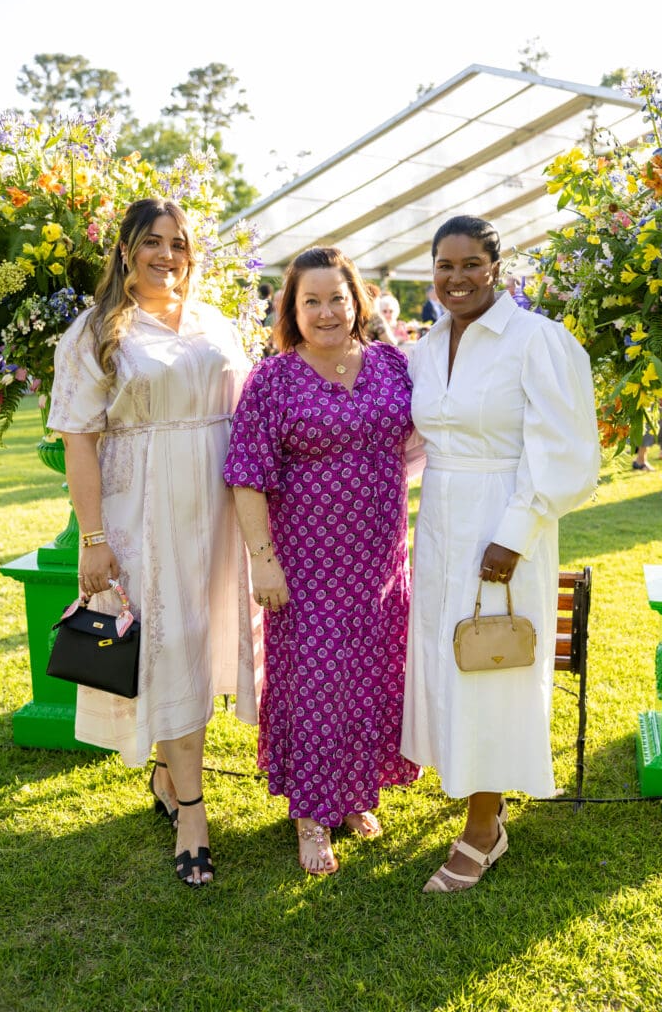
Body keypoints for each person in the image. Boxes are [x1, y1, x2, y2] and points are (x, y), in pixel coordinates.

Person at [47, 197, 259, 887]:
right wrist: (94, 537)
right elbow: (80, 443)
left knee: (198, 641)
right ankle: (193, 812)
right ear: (126, 248)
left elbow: (250, 408)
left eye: (179, 243)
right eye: (152, 242)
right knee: (165, 645)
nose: (167, 255)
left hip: (217, 502)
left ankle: (170, 774)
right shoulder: (95, 333)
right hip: (142, 506)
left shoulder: (214, 323)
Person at [401, 215, 600, 893]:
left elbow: (565, 452)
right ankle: (475, 792)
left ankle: (483, 830)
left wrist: (513, 534)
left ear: (496, 267)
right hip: (441, 524)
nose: (455, 278)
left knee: (491, 662)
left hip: (505, 526)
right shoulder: (426, 347)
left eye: (469, 265)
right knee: (447, 656)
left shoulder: (536, 341)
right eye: (443, 266)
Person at [223, 246, 420, 876]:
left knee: (370, 675)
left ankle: (355, 793)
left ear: (357, 299)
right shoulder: (275, 380)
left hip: (380, 560)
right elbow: (247, 476)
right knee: (313, 683)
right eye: (312, 300)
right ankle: (311, 814)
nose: (327, 311)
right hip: (305, 563)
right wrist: (264, 560)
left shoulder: (392, 365)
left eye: (337, 297)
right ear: (292, 308)